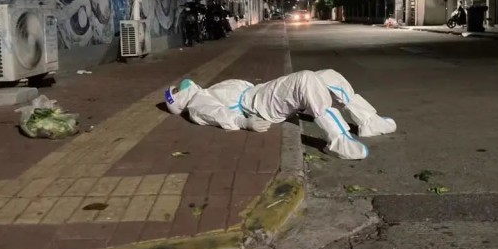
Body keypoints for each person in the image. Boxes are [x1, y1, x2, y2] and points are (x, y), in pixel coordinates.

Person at [164, 70, 397, 160]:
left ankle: (369, 120)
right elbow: (216, 114)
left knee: (329, 75)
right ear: (179, 101)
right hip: (258, 105)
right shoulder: (197, 103)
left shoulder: (208, 90)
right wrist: (243, 122)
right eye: (177, 91)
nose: (182, 86)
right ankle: (338, 140)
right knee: (304, 80)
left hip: (260, 93)